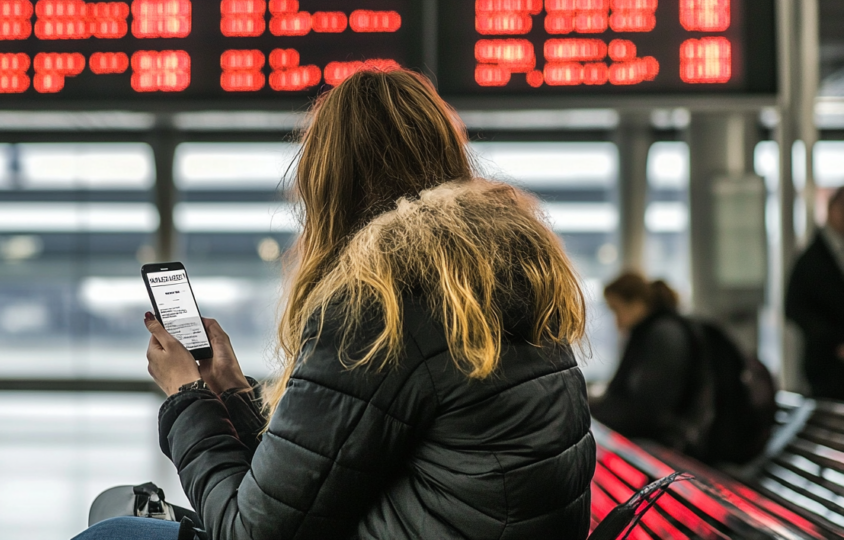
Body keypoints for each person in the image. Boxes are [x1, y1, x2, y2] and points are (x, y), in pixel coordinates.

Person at [76, 69, 594, 540]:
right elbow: (323, 468)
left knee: (114, 532)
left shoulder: (384, 302)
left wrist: (186, 396)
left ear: (331, 180)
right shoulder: (495, 280)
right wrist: (231, 391)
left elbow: (251, 532)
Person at [591, 273, 710, 454]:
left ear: (637, 304)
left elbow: (649, 409)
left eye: (616, 309)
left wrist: (592, 411)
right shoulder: (654, 331)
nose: (616, 321)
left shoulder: (663, 334)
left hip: (669, 447)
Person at [787, 187, 844, 399]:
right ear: (831, 211)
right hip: (827, 367)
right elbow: (794, 307)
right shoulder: (811, 259)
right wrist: (834, 341)